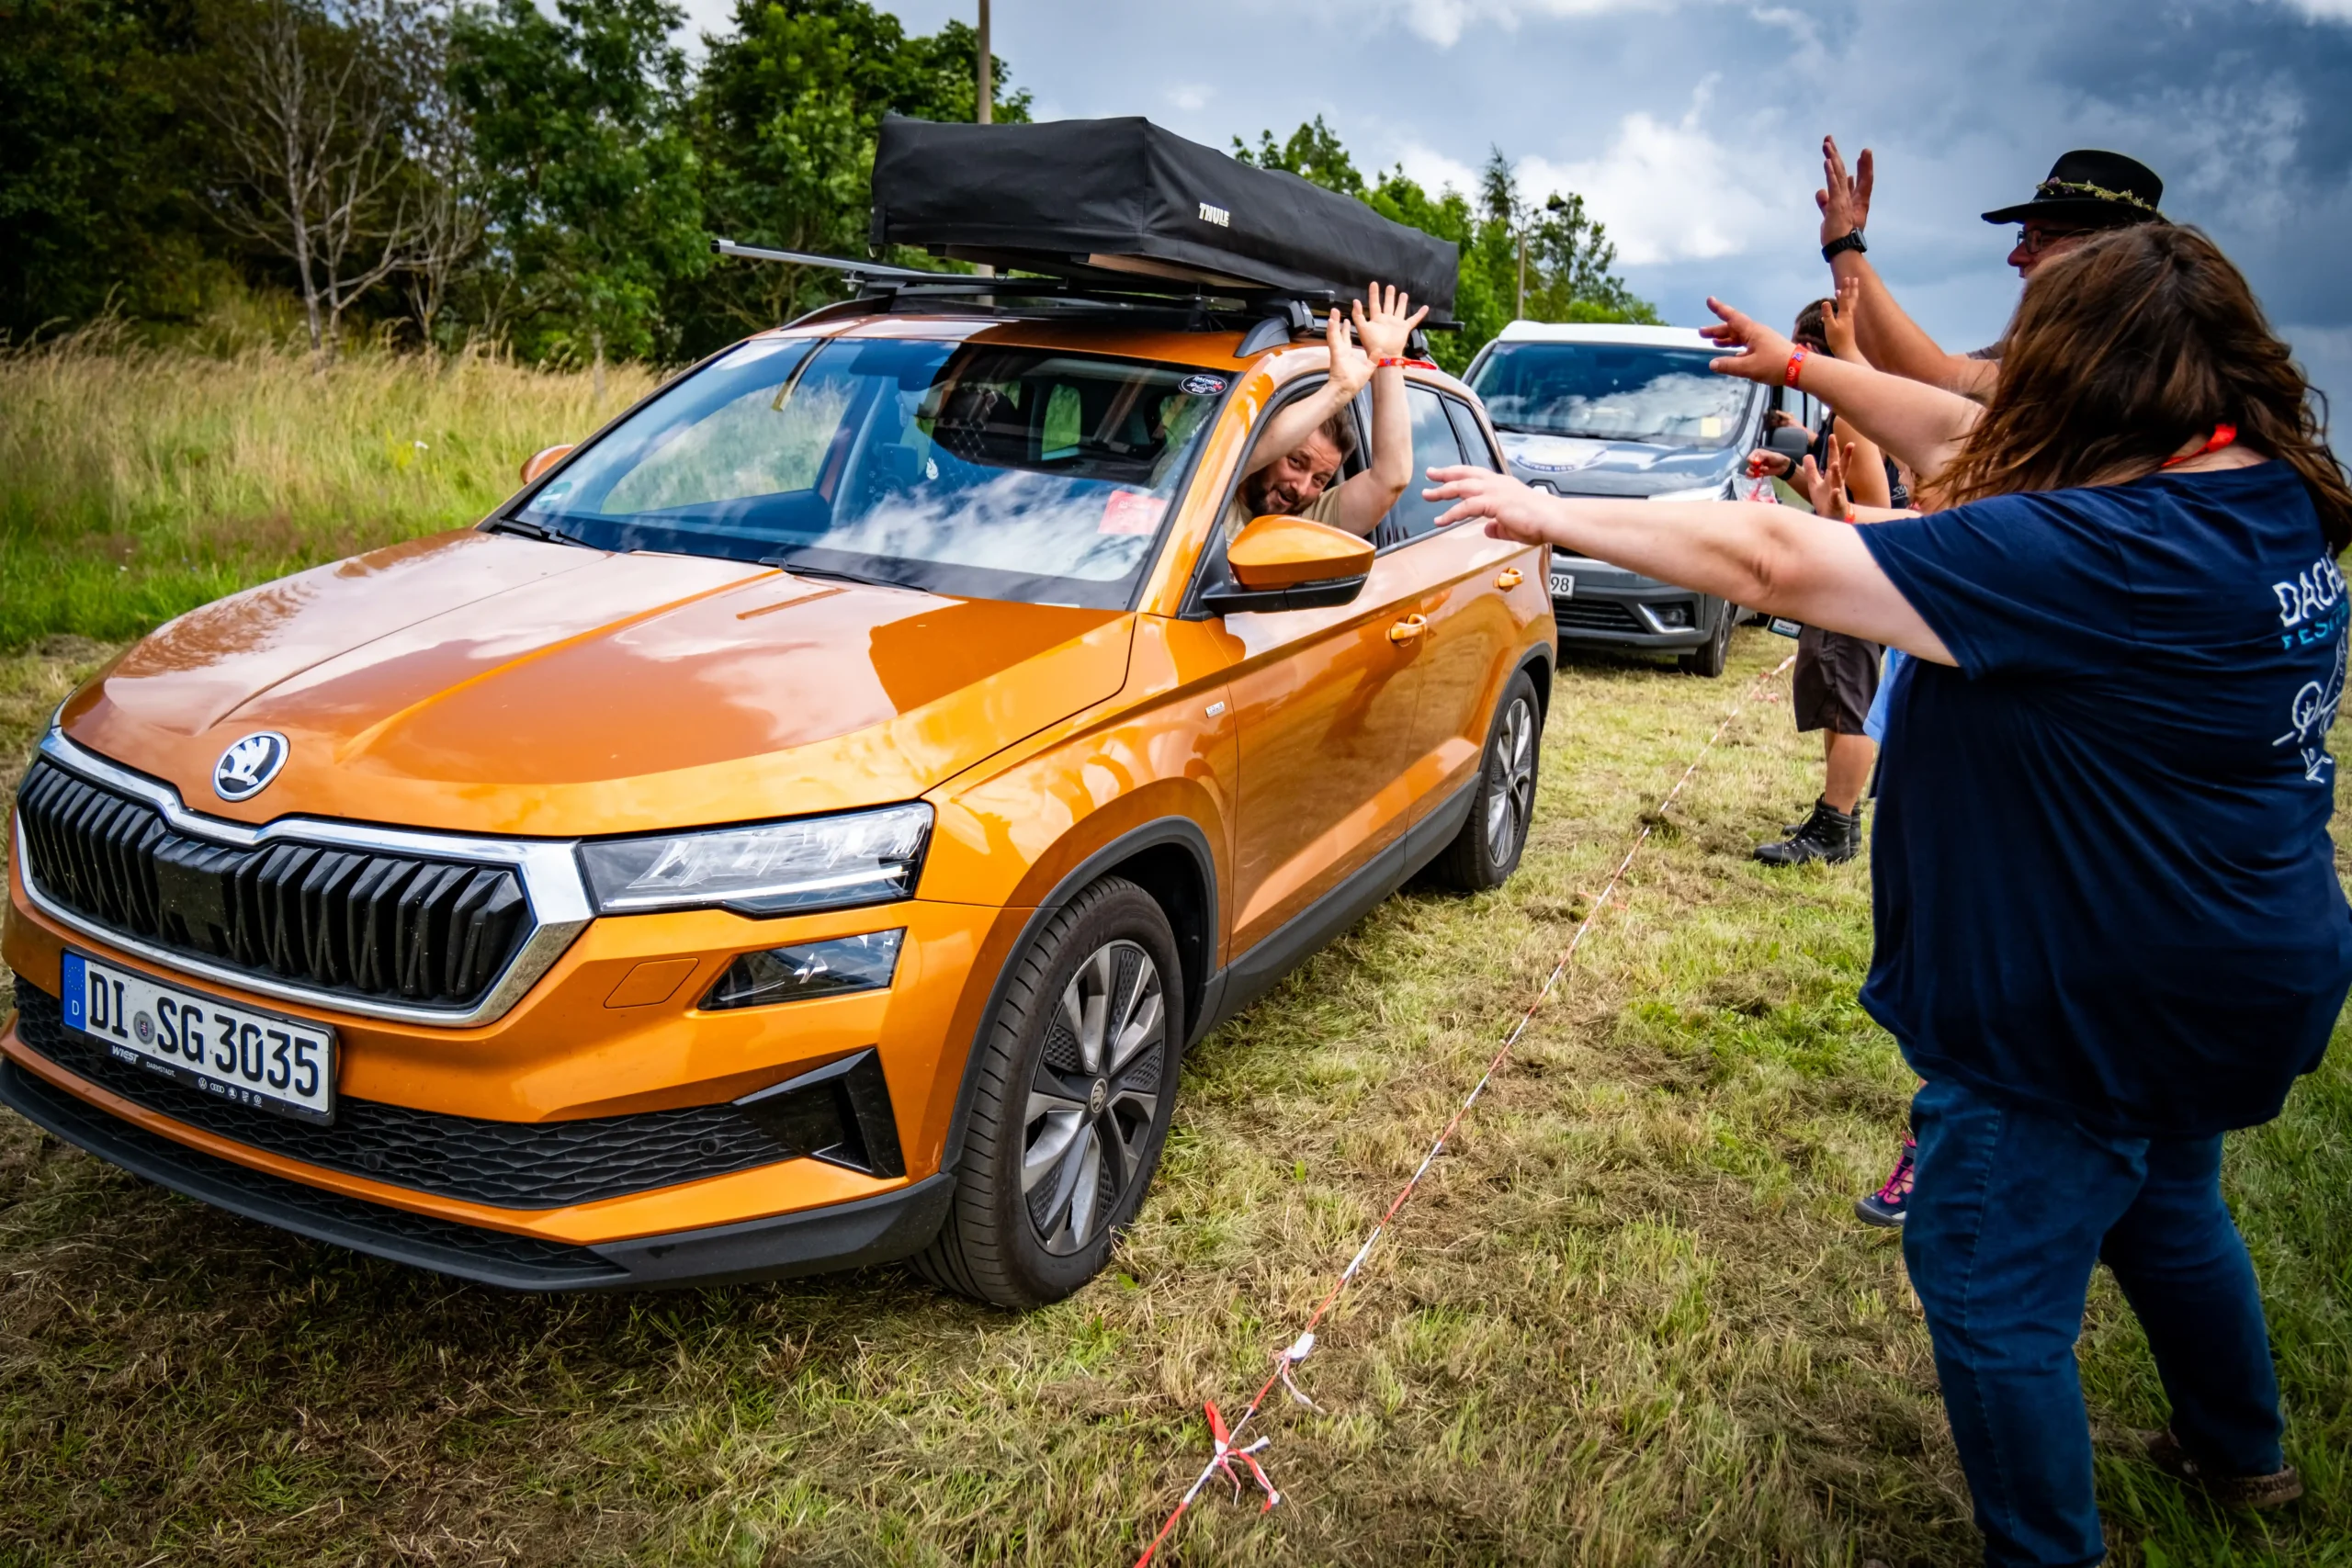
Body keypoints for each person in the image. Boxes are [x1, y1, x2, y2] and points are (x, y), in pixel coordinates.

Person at [1424, 221, 2352, 1562]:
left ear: (2100, 393)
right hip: (2238, 953)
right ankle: (2239, 1451)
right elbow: (1956, 433)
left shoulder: (2115, 550)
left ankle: (2050, 1548)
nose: (2000, 401)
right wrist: (1806, 359)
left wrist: (1550, 511)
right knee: (2168, 1204)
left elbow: (1775, 563)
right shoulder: (2258, 492)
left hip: (2095, 999)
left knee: (1987, 1291)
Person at [1816, 140, 2165, 400]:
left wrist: (1843, 247)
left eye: (2037, 239)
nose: (2015, 256)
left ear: (2099, 250)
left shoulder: (2107, 355)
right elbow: (1901, 369)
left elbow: (1930, 379)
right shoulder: (2049, 341)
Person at [1747, 291, 1896, 865]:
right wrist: (1791, 466)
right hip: (1847, 573)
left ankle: (1833, 829)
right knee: (1837, 697)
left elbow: (1874, 503)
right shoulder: (1847, 409)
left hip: (1854, 576)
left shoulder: (1852, 413)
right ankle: (1843, 817)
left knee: (1850, 701)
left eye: (1801, 350)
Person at [1220, 282, 1429, 544]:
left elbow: (1391, 478)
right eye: (1296, 462)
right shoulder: (1209, 493)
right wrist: (1335, 393)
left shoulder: (1310, 520)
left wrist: (1387, 359)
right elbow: (1233, 458)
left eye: (1320, 480)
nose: (1302, 488)